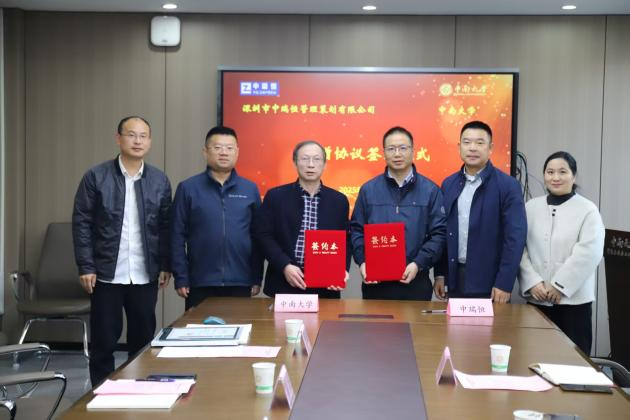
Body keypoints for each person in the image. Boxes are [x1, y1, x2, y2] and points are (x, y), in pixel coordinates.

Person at [72, 116, 171, 386]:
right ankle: (101, 395)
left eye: (143, 136)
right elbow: (82, 223)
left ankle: (139, 390)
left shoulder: (159, 180)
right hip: (106, 274)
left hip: (144, 273)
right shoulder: (96, 176)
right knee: (104, 342)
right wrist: (86, 266)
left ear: (149, 141)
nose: (137, 141)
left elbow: (165, 227)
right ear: (118, 138)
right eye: (131, 135)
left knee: (143, 340)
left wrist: (165, 264)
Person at [519, 151, 604, 354]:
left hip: (573, 302)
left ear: (573, 176)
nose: (555, 177)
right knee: (534, 356)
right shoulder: (530, 207)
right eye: (550, 172)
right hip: (537, 298)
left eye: (562, 172)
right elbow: (519, 248)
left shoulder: (588, 210)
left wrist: (559, 286)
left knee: (573, 358)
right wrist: (533, 282)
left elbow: (589, 252)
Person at [170, 126, 263, 310]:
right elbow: (176, 235)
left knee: (238, 329)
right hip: (200, 281)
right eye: (217, 147)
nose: (224, 153)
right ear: (205, 152)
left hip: (240, 280)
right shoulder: (188, 188)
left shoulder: (250, 189)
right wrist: (181, 276)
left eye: (229, 148)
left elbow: (258, 236)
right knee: (199, 329)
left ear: (237, 152)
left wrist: (256, 277)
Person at [434, 121, 526, 303]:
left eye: (479, 142)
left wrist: (504, 282)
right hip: (455, 278)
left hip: (491, 282)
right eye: (467, 142)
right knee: (454, 323)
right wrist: (440, 274)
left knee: (490, 324)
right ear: (459, 147)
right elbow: (443, 232)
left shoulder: (508, 186)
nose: (472, 148)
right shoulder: (448, 184)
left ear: (490, 148)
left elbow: (515, 238)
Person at [350, 126, 446, 300]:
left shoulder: (431, 191)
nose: (397, 154)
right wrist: (362, 262)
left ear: (413, 151)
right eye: (391, 149)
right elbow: (356, 230)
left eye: (403, 148)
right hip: (375, 285)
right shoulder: (368, 190)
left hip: (416, 282)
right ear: (383, 153)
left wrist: (418, 263)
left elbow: (439, 234)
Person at [253, 140, 350, 298]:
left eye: (316, 159)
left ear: (324, 164)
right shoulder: (276, 196)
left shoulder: (339, 201)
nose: (311, 165)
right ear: (295, 163)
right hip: (284, 281)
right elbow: (263, 235)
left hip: (325, 285)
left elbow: (345, 240)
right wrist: (284, 265)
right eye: (305, 159)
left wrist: (341, 270)